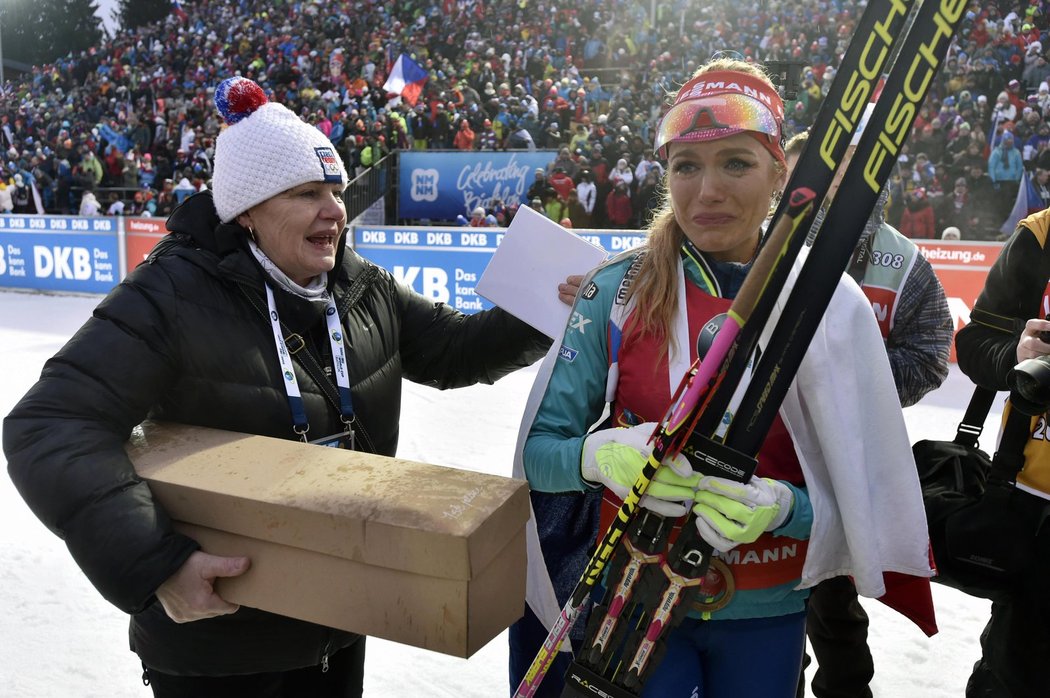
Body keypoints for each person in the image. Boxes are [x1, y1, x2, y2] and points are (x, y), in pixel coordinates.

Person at [3, 76, 556, 698]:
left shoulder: (362, 286)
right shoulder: (170, 296)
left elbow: (455, 351)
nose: (334, 210)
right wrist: (156, 565)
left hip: (340, 621)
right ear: (248, 211)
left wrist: (546, 304)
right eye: (306, 193)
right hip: (218, 640)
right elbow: (49, 425)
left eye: (336, 190)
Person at [509, 59, 935, 698]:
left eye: (736, 162)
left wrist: (783, 508)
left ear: (780, 177)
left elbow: (870, 496)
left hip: (770, 611)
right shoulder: (616, 290)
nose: (707, 190)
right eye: (686, 166)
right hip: (634, 603)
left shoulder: (829, 301)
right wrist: (601, 457)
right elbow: (538, 455)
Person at [785, 128, 954, 698]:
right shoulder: (750, 243)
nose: (829, 180)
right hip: (755, 458)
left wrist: (851, 379)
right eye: (812, 168)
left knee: (834, 611)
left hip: (838, 464)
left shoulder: (900, 260)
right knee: (762, 614)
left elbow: (931, 355)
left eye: (846, 166)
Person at [954, 208, 1050, 698]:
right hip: (1035, 499)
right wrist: (1017, 353)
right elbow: (973, 344)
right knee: (1014, 675)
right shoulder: (1040, 234)